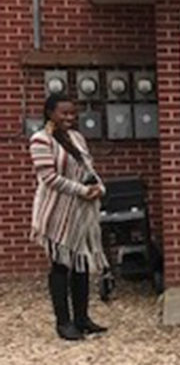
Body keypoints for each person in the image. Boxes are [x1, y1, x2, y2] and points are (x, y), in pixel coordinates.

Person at [30, 93, 109, 341]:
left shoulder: (76, 138)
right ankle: (63, 323)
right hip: (56, 213)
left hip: (79, 215)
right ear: (50, 113)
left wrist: (99, 187)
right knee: (61, 266)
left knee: (81, 265)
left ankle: (82, 318)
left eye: (72, 113)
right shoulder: (40, 140)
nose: (69, 117)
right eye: (63, 113)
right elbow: (49, 178)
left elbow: (88, 169)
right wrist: (83, 191)